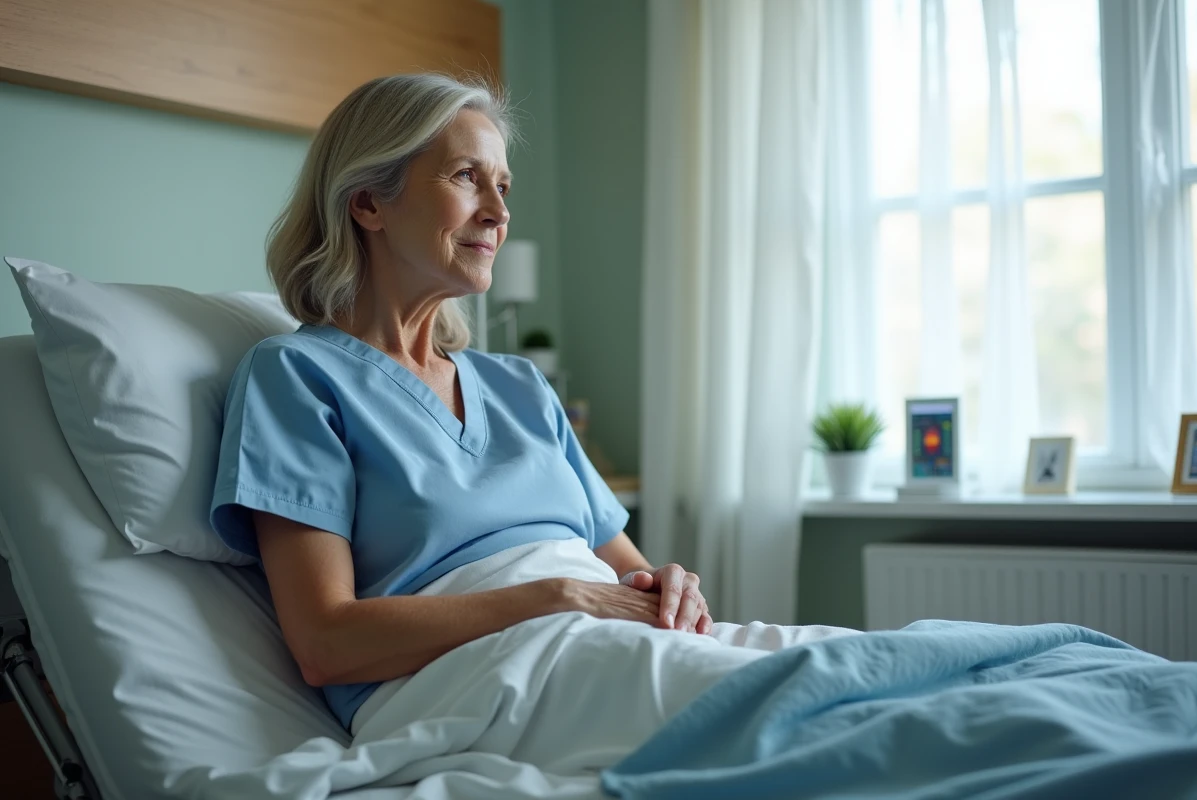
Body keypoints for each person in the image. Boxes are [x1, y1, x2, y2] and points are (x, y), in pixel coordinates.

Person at [210, 74, 854, 742]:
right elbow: (326, 643)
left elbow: (625, 571)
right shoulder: (297, 377)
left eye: (504, 186)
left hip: (599, 643)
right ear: (369, 201)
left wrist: (668, 584)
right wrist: (557, 597)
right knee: (822, 713)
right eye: (467, 177)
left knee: (900, 667)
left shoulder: (517, 386)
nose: (499, 211)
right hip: (474, 677)